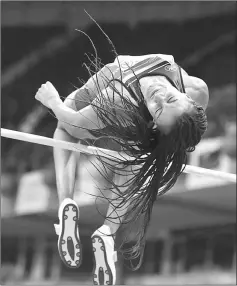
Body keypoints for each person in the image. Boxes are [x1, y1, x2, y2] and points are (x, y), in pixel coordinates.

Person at [35, 50, 209, 285]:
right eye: (169, 99)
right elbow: (186, 125)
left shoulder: (120, 100)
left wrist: (52, 100)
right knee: (134, 155)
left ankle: (66, 203)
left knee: (66, 131)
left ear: (156, 123)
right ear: (188, 97)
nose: (159, 97)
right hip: (119, 103)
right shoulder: (197, 90)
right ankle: (107, 233)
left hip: (119, 99)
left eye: (159, 109)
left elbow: (72, 124)